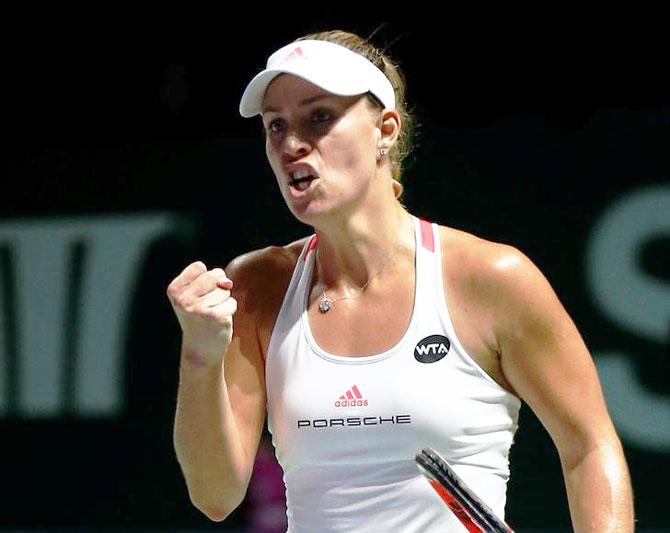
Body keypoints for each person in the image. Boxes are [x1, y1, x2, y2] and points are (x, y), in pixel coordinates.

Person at [167, 30, 634, 532]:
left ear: (385, 129)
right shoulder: (256, 287)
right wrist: (199, 354)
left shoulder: (490, 279)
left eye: (319, 117)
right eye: (275, 126)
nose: (292, 144)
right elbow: (214, 495)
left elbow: (588, 445)